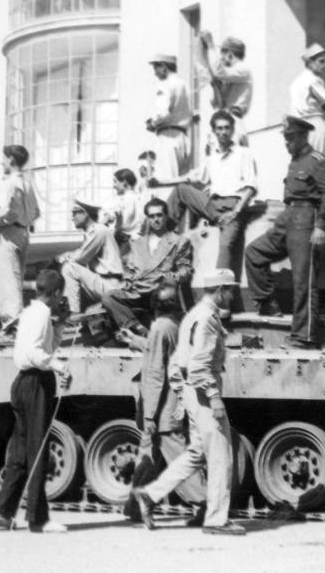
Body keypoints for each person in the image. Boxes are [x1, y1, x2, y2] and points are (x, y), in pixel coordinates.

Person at [132, 268, 245, 536]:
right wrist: (213, 397)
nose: (232, 295)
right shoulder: (206, 318)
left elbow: (177, 364)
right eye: (230, 290)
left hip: (194, 393)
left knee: (196, 453)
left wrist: (186, 395)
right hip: (205, 393)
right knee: (220, 456)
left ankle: (149, 494)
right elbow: (198, 365)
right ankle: (217, 520)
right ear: (219, 290)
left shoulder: (193, 314)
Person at [245, 115, 325, 348]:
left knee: (303, 280)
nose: (286, 143)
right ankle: (267, 302)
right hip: (287, 216)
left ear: (303, 136)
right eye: (285, 139)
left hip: (306, 219)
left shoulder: (317, 161)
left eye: (290, 138)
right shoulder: (295, 162)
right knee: (254, 253)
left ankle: (303, 337)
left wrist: (321, 226)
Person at [0, 269, 70, 534]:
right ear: (57, 293)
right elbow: (38, 353)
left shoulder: (31, 312)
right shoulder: (43, 313)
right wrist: (60, 367)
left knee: (21, 450)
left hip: (23, 382)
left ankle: (4, 512)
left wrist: (60, 325)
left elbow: (44, 346)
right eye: (61, 295)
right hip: (37, 383)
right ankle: (38, 518)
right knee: (38, 450)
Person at [165, 110, 258, 287]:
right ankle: (164, 236)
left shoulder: (244, 153)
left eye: (226, 128)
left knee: (225, 246)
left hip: (233, 206)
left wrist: (235, 211)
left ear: (232, 130)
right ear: (214, 131)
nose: (223, 132)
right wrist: (162, 180)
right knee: (181, 190)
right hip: (211, 205)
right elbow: (193, 178)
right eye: (219, 129)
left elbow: (251, 187)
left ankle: (220, 301)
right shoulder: (211, 158)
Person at [120, 284, 184, 522]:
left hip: (160, 410)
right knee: (146, 458)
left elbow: (156, 372)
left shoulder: (159, 327)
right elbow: (160, 350)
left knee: (180, 460)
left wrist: (149, 415)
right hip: (165, 406)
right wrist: (136, 340)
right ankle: (134, 507)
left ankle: (205, 503)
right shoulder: (174, 325)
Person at [98, 198, 193, 333]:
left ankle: (159, 330)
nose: (156, 219)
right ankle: (137, 328)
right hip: (137, 291)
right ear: (147, 219)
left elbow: (185, 267)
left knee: (164, 294)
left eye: (159, 215)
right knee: (109, 297)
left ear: (166, 216)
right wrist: (128, 279)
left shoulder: (179, 241)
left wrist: (176, 275)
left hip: (159, 289)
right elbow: (128, 267)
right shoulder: (138, 242)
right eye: (152, 216)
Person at [0, 145, 40, 323]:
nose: (2, 162)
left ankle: (11, 321)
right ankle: (14, 318)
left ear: (11, 159)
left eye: (4, 158)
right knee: (16, 278)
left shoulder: (10, 182)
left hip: (9, 233)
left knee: (8, 278)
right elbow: (36, 212)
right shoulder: (27, 183)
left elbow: (9, 211)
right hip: (23, 233)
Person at [59, 199, 124, 315]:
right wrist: (70, 255)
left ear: (84, 214)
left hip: (111, 284)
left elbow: (81, 258)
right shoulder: (93, 231)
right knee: (72, 272)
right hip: (104, 282)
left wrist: (64, 257)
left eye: (74, 213)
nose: (72, 217)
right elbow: (82, 254)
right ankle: (77, 315)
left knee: (69, 268)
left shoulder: (98, 230)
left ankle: (73, 313)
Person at [199, 31, 253, 146]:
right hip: (223, 119)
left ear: (230, 54)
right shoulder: (231, 74)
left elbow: (219, 72)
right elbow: (216, 103)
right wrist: (215, 86)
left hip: (233, 122)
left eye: (222, 54)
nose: (221, 59)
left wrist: (210, 45)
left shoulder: (242, 69)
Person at [145, 54, 192, 181]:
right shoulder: (184, 84)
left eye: (156, 68)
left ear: (164, 67)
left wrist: (152, 124)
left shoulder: (164, 84)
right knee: (179, 180)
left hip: (168, 137)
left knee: (166, 179)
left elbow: (163, 113)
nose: (155, 73)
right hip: (183, 137)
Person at [106, 168, 144, 241]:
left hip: (126, 241)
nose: (113, 185)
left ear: (124, 182)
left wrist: (111, 222)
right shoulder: (138, 197)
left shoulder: (126, 199)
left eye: (115, 181)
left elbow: (123, 223)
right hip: (136, 238)